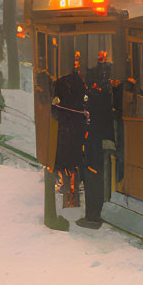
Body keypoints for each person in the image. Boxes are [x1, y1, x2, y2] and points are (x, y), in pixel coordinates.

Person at [79, 51, 119, 229]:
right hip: (105, 140)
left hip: (93, 141)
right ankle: (97, 212)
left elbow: (87, 115)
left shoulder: (93, 95)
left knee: (92, 177)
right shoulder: (110, 93)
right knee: (101, 177)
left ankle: (92, 215)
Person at [51, 59, 90, 209]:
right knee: (72, 160)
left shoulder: (62, 84)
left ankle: (69, 192)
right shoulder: (72, 85)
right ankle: (71, 193)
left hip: (68, 128)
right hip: (73, 129)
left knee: (68, 160)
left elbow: (55, 110)